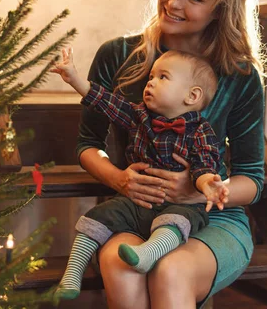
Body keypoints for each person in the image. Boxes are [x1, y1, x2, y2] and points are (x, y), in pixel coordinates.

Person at [74, 0, 265, 308]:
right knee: (122, 264)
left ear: (220, 10)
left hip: (213, 219)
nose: (173, 3)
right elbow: (87, 144)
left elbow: (251, 178)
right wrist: (119, 179)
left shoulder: (240, 74)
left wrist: (201, 191)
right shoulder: (117, 56)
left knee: (170, 270)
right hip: (135, 210)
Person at [50, 48, 229, 299]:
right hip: (137, 200)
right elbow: (105, 102)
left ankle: (148, 254)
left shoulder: (200, 131)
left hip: (179, 205)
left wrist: (208, 183)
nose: (151, 83)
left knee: (178, 222)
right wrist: (75, 79)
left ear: (192, 95)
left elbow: (204, 164)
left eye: (162, 77)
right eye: (151, 77)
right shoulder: (139, 116)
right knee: (97, 216)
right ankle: (72, 274)